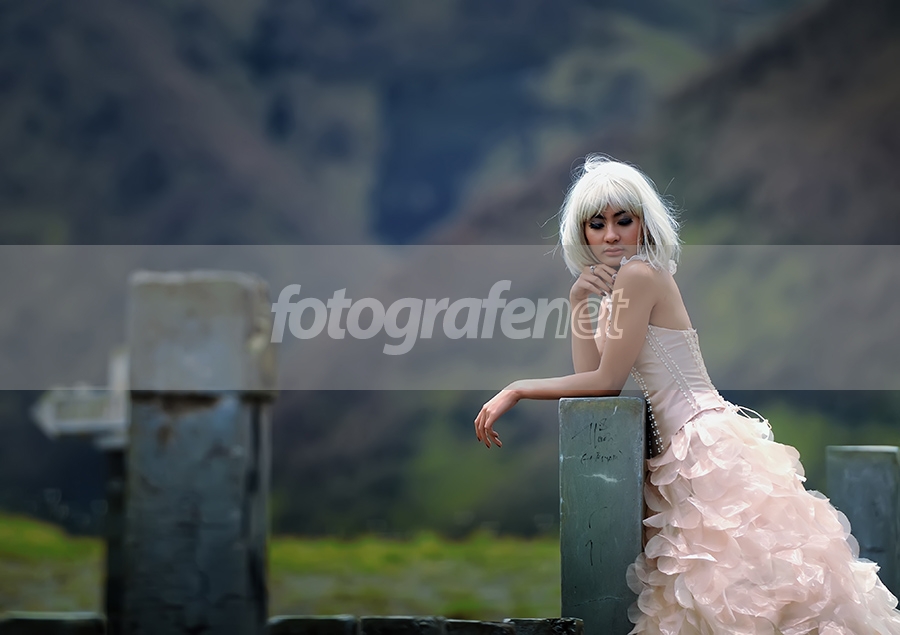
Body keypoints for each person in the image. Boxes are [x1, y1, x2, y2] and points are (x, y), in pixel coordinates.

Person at [473, 155, 900, 634]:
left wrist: (517, 388)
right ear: (582, 233)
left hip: (701, 448)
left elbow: (604, 382)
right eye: (597, 224)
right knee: (719, 593)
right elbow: (591, 378)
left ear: (643, 224)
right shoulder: (624, 284)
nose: (610, 235)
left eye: (623, 220)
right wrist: (578, 302)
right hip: (683, 450)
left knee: (739, 592)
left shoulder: (639, 275)